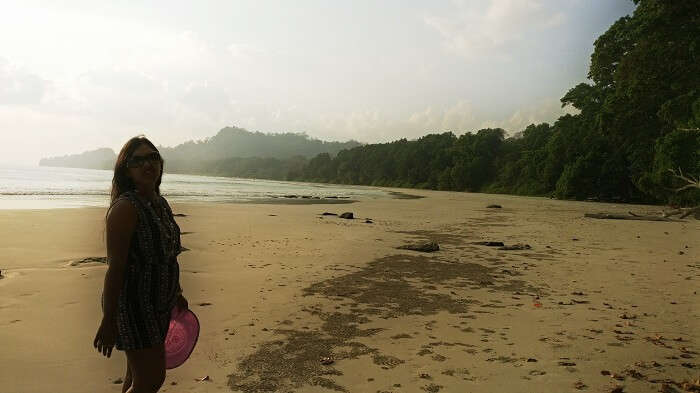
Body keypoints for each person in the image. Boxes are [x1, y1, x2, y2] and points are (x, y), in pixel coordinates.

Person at [93, 136, 188, 393]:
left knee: (136, 377)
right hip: (134, 305)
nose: (147, 165)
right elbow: (116, 268)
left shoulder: (160, 204)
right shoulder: (125, 209)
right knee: (151, 380)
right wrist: (109, 320)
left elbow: (166, 256)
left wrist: (176, 292)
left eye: (153, 157)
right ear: (127, 169)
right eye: (138, 161)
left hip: (159, 303)